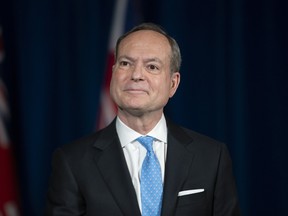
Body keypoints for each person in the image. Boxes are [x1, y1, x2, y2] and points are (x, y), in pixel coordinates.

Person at [45, 22, 241, 216]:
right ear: (113, 74)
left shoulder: (212, 157)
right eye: (125, 64)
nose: (136, 75)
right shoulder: (72, 162)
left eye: (152, 66)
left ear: (173, 84)